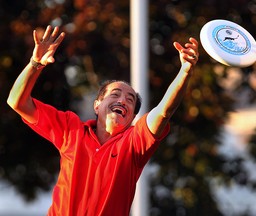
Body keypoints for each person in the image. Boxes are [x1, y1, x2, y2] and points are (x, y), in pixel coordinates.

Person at [7, 25, 199, 215]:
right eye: (115, 94)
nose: (122, 100)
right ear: (97, 105)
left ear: (133, 117)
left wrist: (185, 71)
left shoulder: (134, 142)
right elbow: (17, 102)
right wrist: (35, 63)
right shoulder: (70, 128)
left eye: (130, 100)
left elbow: (164, 111)